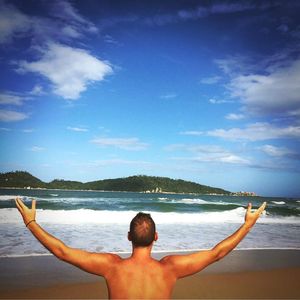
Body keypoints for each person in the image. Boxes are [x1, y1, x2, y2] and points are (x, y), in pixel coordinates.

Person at [15, 198, 266, 299]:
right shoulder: (170, 268)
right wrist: (247, 225)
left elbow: (62, 252)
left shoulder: (112, 267)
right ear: (156, 236)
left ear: (128, 237)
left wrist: (31, 222)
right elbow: (217, 253)